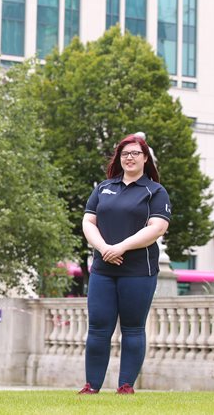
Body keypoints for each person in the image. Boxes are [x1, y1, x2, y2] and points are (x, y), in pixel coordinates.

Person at [79, 133, 171, 395]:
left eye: (135, 154)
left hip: (139, 271)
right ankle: (91, 386)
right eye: (125, 154)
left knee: (132, 328)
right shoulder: (103, 188)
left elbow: (157, 228)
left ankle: (126, 386)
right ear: (119, 158)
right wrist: (104, 248)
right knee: (98, 327)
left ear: (145, 159)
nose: (130, 158)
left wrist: (121, 247)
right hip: (103, 269)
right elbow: (88, 222)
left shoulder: (155, 191)